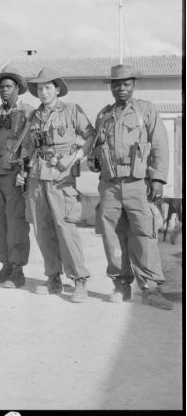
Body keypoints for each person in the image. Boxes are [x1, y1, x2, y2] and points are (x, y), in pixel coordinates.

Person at [89, 64, 173, 310]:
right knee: (112, 235)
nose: (121, 88)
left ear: (133, 85)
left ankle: (151, 288)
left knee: (144, 234)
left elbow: (159, 146)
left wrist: (157, 179)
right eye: (117, 84)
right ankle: (120, 284)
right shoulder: (103, 115)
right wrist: (95, 159)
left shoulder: (145, 110)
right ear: (111, 87)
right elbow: (96, 148)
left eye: (126, 83)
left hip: (138, 183)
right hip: (110, 185)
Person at [17, 67, 95, 303]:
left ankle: (79, 279)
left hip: (61, 178)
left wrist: (75, 157)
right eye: (40, 88)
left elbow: (91, 136)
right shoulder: (33, 116)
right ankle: (53, 278)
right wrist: (23, 170)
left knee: (65, 227)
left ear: (57, 89)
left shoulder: (71, 111)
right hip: (36, 179)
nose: (43, 92)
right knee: (42, 229)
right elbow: (27, 147)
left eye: (48, 87)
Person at [0, 68, 34, 288]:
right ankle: (5, 265)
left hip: (16, 175)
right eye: (1, 87)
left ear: (17, 89)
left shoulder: (27, 112)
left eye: (8, 87)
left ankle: (17, 270)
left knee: (16, 223)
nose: (4, 91)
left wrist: (25, 171)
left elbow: (33, 144)